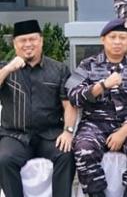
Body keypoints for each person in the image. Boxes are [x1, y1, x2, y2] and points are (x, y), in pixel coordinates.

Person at [66, 19, 127, 197]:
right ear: (103, 40)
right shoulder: (87, 65)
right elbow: (73, 96)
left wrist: (123, 131)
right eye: (113, 37)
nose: (117, 42)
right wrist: (102, 85)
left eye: (123, 38)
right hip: (94, 124)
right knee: (84, 148)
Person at [0, 20, 75, 197]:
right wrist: (10, 67)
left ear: (41, 41)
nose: (28, 44)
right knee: (4, 159)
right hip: (15, 135)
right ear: (15, 44)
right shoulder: (5, 68)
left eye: (32, 39)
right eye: (22, 40)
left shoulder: (58, 69)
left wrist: (68, 131)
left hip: (50, 134)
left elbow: (69, 104)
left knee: (66, 155)